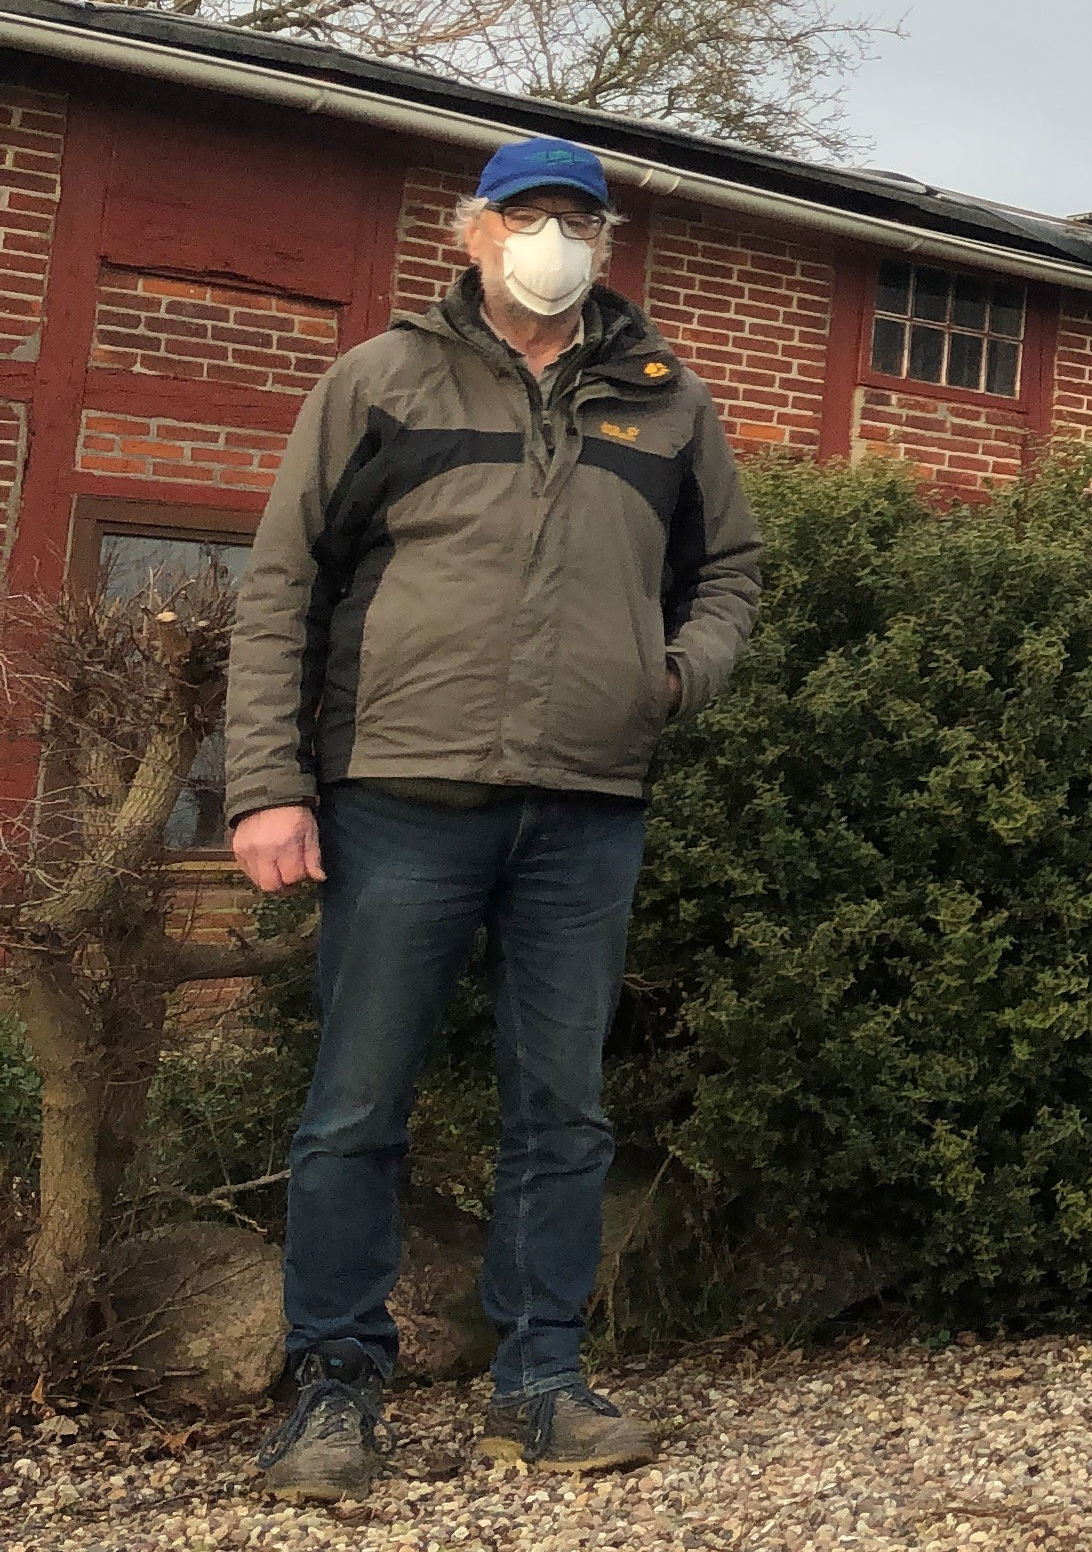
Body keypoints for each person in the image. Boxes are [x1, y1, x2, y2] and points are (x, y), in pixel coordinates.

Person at [223, 137, 766, 1501]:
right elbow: (284, 582)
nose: (554, 237)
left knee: (564, 1111)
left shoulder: (666, 399)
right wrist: (268, 785)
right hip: (401, 794)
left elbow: (733, 573)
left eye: (579, 217)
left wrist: (676, 676)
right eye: (527, 214)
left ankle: (539, 1381)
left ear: (605, 240)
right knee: (355, 1104)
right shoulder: (379, 380)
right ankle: (336, 1389)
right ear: (470, 232)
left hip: (588, 807)